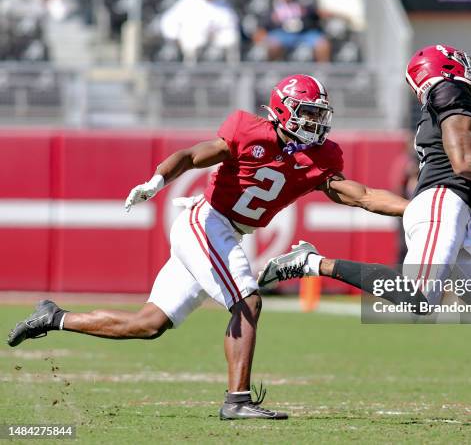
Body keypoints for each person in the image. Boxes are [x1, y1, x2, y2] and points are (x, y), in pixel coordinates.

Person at [7, 74, 409, 420]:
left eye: (319, 114)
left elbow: (363, 195)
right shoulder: (250, 131)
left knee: (148, 324)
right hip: (207, 221)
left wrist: (416, 211)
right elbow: (192, 155)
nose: (316, 121)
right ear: (284, 110)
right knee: (248, 300)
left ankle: (54, 317)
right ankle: (237, 400)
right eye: (308, 112)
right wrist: (158, 179)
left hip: (226, 233)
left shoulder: (319, 156)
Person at [258, 45, 471, 427]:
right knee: (419, 300)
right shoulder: (451, 93)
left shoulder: (441, 102)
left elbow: (463, 210)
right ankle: (311, 261)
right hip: (443, 205)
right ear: (446, 69)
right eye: (462, 64)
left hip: (455, 212)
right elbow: (464, 164)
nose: (470, 71)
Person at [160, 0, 238, 64]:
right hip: (192, 41)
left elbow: (231, 23)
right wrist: (176, 38)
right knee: (192, 40)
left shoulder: (222, 3)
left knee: (230, 38)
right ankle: (189, 72)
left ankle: (231, 72)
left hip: (215, 42)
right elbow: (168, 21)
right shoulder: (188, 1)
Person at [252, 0, 330, 62]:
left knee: (322, 44)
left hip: (305, 33)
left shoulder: (303, 0)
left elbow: (316, 14)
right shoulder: (270, 5)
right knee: (273, 44)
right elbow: (262, 26)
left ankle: (323, 72)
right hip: (282, 34)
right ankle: (273, 71)